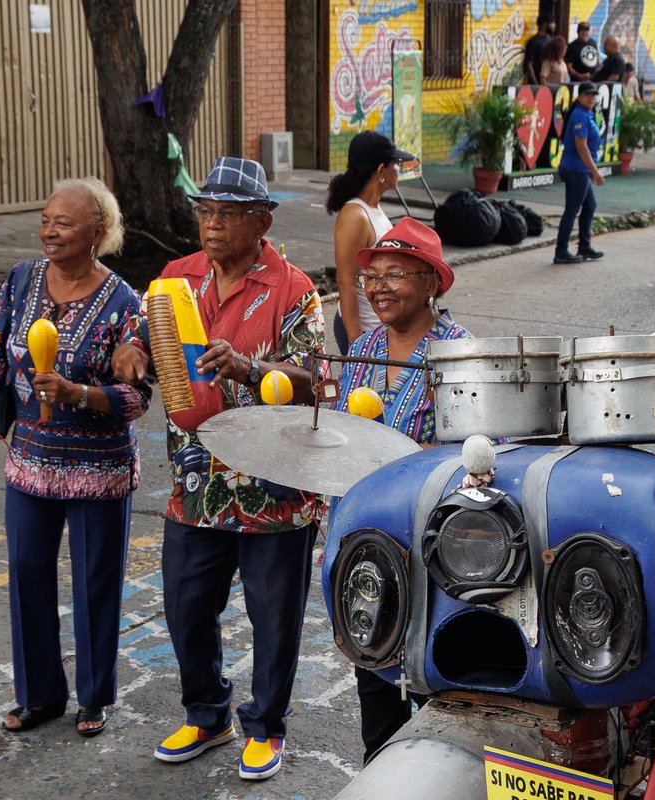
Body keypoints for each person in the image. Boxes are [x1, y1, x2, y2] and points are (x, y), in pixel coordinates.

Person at [112, 157, 325, 781]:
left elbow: (316, 384)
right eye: (206, 211)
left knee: (272, 614)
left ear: (262, 221)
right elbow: (144, 333)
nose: (212, 224)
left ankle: (266, 726)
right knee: (184, 603)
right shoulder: (175, 277)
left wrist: (254, 370)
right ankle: (208, 715)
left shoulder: (293, 288)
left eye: (227, 215)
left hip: (273, 482)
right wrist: (132, 347)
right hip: (197, 477)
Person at [0, 178, 149, 738]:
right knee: (27, 574)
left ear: (99, 232)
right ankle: (39, 695)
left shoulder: (125, 305)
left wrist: (79, 394)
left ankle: (93, 698)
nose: (49, 230)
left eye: (63, 223)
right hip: (31, 461)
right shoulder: (20, 281)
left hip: (98, 468)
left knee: (94, 583)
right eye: (45, 220)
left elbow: (137, 398)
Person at [333, 218, 470, 761]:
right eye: (373, 276)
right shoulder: (363, 346)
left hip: (436, 549)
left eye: (396, 274)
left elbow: (486, 449)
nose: (379, 287)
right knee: (377, 677)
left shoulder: (459, 351)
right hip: (369, 544)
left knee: (439, 682)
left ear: (432, 282)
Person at [326, 131, 414, 353]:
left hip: (381, 326)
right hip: (363, 328)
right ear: (381, 170)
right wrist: (357, 344)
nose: (399, 170)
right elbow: (346, 283)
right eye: (396, 164)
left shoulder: (374, 209)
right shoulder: (355, 215)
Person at [554, 81, 606, 265]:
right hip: (576, 169)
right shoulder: (579, 116)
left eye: (594, 95)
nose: (592, 98)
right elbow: (581, 147)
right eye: (588, 95)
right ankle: (561, 251)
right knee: (572, 210)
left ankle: (584, 246)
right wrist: (595, 171)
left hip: (581, 169)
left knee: (590, 205)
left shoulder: (586, 114)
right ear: (580, 96)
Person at [523, 16, 555, 84]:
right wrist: (535, 82)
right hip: (537, 81)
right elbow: (529, 64)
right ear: (544, 24)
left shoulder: (550, 39)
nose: (554, 25)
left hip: (548, 81)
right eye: (552, 23)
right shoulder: (533, 41)